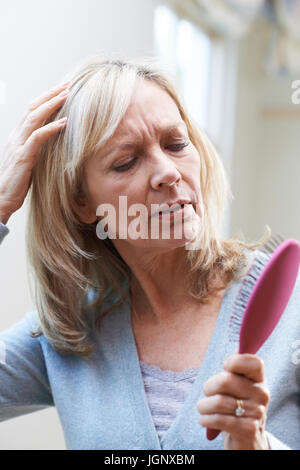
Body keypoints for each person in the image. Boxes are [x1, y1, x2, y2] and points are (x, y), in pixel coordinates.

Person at [0, 55, 298, 450]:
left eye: (176, 144)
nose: (169, 172)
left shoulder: (292, 307)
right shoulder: (68, 332)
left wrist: (258, 445)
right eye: (126, 162)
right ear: (81, 203)